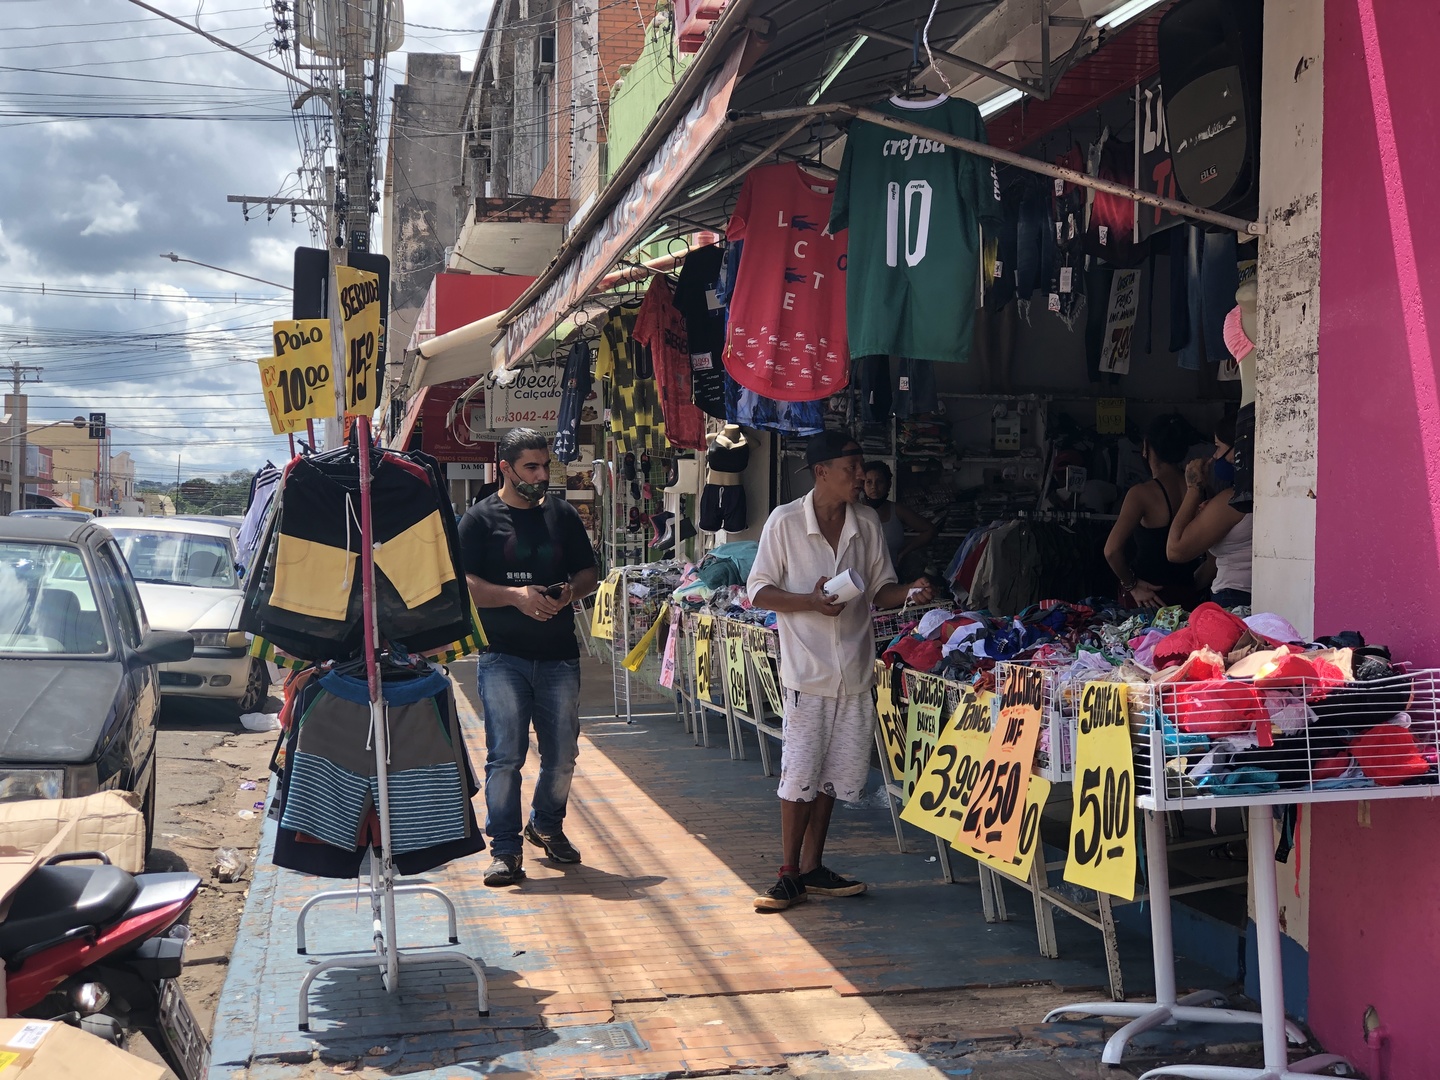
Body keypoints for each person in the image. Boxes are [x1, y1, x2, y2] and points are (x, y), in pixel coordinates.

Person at [747, 431, 932, 912]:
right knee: (799, 773)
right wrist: (809, 601)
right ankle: (788, 872)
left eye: (861, 467)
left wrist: (910, 591)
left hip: (853, 668)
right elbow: (759, 592)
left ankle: (812, 867)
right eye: (851, 468)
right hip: (806, 671)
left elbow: (880, 589)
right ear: (821, 471)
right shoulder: (784, 522)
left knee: (832, 775)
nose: (860, 477)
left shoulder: (866, 522)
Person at [458, 428, 599, 887]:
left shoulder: (562, 515)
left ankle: (546, 824)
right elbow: (463, 584)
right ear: (506, 468)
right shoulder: (479, 520)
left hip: (559, 656)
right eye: (530, 468)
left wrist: (567, 592)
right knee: (505, 758)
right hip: (502, 657)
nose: (540, 477)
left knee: (563, 756)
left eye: (545, 467)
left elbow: (588, 573)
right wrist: (515, 596)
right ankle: (504, 849)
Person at [1103, 414, 1202, 609]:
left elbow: (1111, 551)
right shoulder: (1202, 489)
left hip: (1147, 598)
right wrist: (1191, 587)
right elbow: (1215, 557)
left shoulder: (1142, 494)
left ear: (1146, 447)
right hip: (1188, 595)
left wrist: (1131, 585)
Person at [1166, 414, 1254, 609]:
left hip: (1233, 597)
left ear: (1237, 451)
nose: (1215, 456)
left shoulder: (1234, 501)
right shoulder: (1255, 495)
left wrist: (1193, 488)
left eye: (1218, 447)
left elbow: (1175, 550)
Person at [862, 461, 938, 577]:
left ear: (888, 484)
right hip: (860, 578)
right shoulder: (854, 511)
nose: (874, 487)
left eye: (879, 481)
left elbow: (929, 530)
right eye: (869, 482)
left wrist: (904, 552)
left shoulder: (897, 510)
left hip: (891, 577)